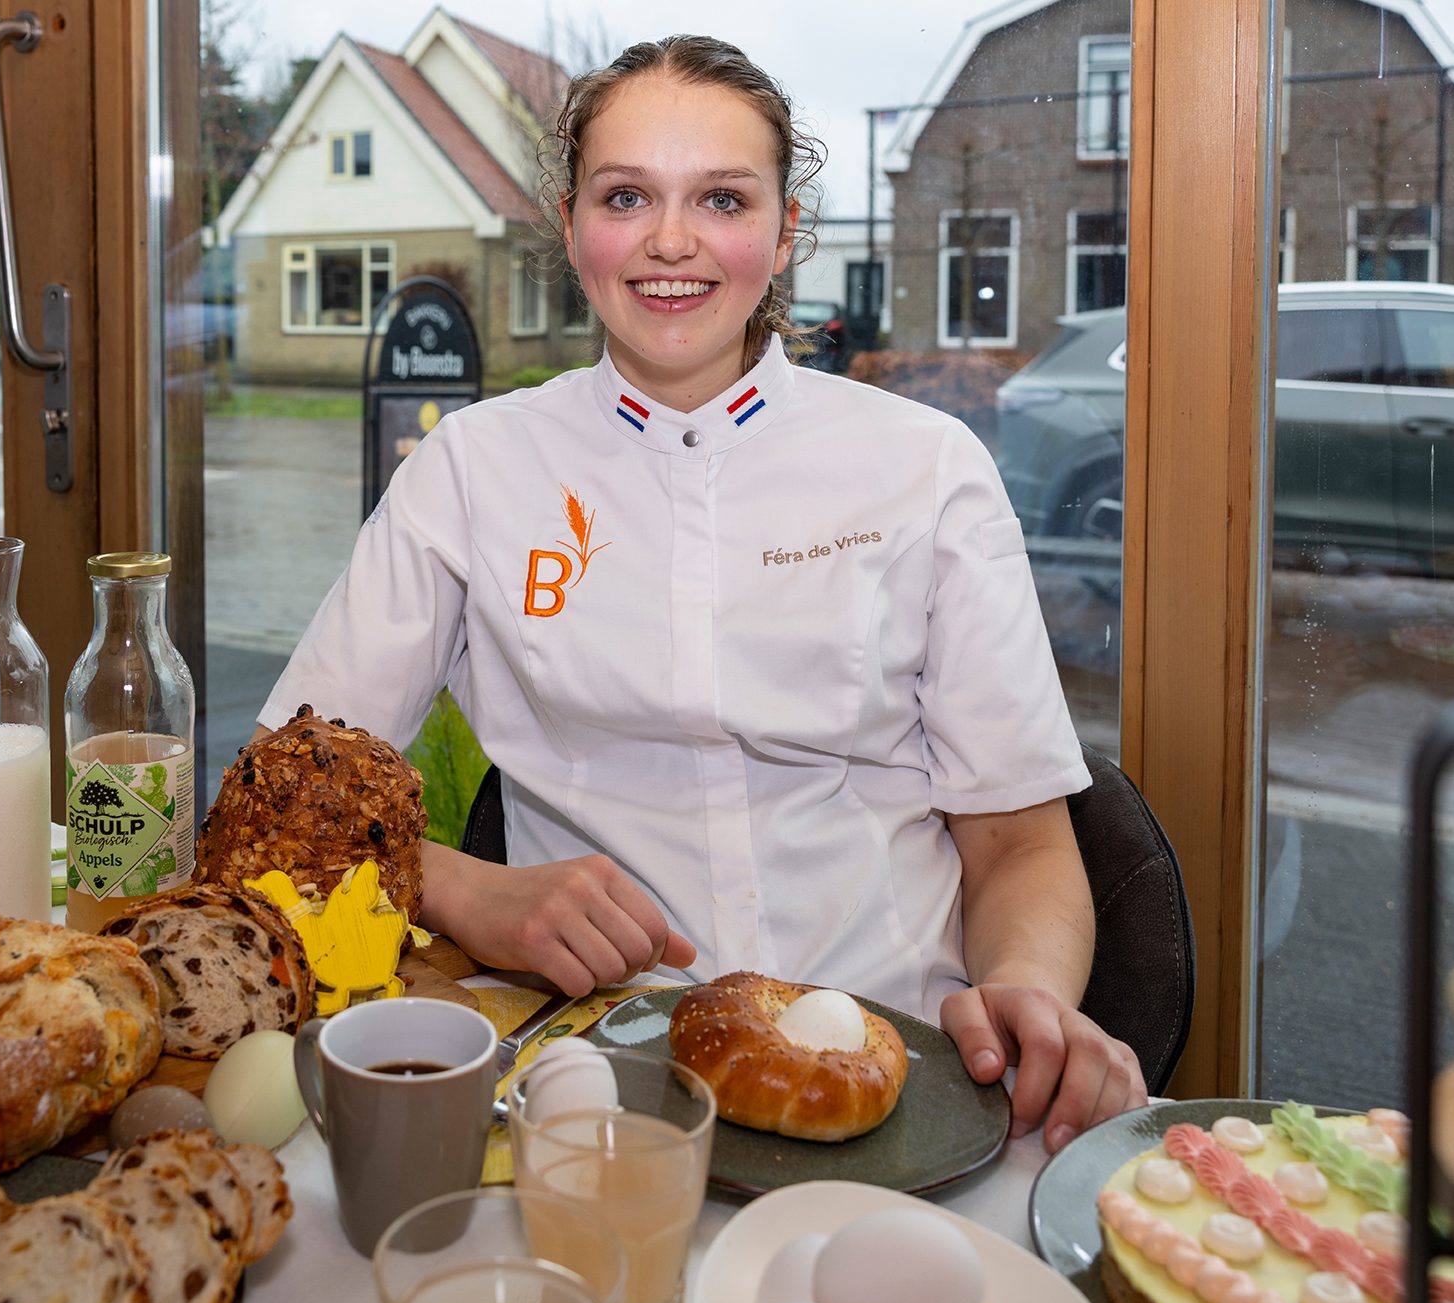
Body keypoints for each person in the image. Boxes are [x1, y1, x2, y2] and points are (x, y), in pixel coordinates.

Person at [252, 35, 1144, 1151]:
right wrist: (467, 891)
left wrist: (1027, 992)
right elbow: (282, 798)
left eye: (721, 198)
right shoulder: (473, 467)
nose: (670, 242)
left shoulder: (924, 466)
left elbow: (1018, 840)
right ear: (571, 223)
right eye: (627, 196)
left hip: (902, 1068)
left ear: (783, 233)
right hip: (592, 1078)